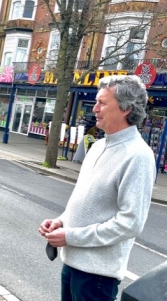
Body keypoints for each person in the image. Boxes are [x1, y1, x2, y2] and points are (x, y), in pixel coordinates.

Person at [39, 74, 155, 301]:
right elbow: (87, 198)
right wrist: (62, 220)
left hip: (98, 276)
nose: (95, 109)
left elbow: (131, 223)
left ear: (125, 109)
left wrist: (71, 236)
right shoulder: (98, 145)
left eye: (102, 103)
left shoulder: (138, 156)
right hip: (72, 264)